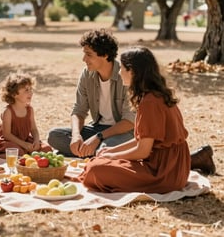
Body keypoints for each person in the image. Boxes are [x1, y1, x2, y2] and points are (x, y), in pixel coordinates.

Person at [79, 46, 191, 193]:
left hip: (163, 172)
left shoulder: (150, 102)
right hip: (173, 167)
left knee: (95, 170)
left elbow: (143, 151)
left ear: (132, 71)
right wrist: (112, 150)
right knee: (99, 161)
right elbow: (142, 140)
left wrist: (113, 155)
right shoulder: (154, 95)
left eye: (122, 68)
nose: (119, 72)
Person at [48, 29, 135, 158]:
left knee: (105, 147)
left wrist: (98, 138)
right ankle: (96, 154)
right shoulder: (87, 74)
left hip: (123, 132)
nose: (84, 59)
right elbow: (79, 110)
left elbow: (129, 121)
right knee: (55, 136)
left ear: (105, 55)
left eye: (89, 54)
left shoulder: (126, 76)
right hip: (97, 129)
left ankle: (96, 153)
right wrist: (76, 135)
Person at [0, 72, 53, 157]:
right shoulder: (8, 112)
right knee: (17, 152)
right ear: (14, 94)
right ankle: (8, 154)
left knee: (46, 149)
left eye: (30, 89)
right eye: (26, 90)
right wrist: (23, 144)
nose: (30, 93)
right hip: (11, 141)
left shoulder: (29, 110)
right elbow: (7, 135)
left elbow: (34, 129)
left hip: (25, 140)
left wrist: (36, 140)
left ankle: (27, 153)